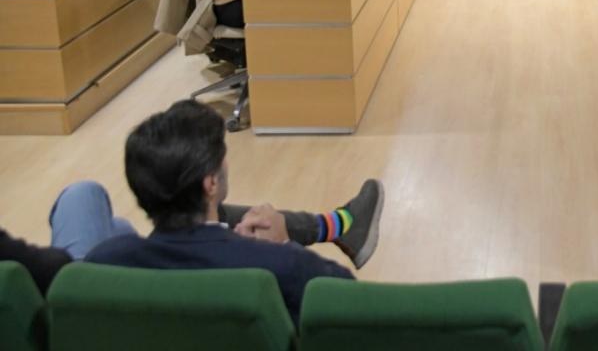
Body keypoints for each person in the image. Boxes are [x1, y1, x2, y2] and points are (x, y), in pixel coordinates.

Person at [85, 100, 360, 324]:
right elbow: (353, 304)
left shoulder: (103, 262)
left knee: (119, 224)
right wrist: (283, 244)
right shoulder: (281, 265)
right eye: (222, 155)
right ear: (212, 183)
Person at [2, 172, 383, 295]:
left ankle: (335, 225)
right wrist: (281, 246)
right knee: (84, 194)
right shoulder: (286, 268)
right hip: (76, 294)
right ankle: (338, 226)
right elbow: (345, 299)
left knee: (117, 227)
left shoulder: (115, 251)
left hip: (81, 285)